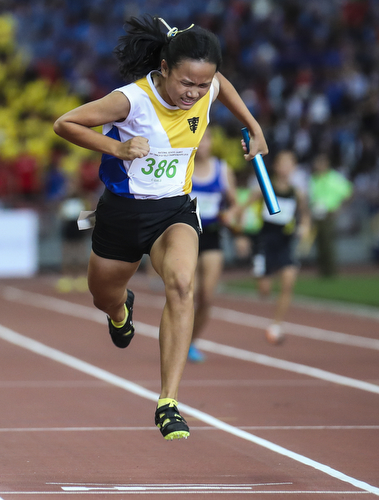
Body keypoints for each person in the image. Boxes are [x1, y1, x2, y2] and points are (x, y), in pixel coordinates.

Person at [53, 15, 268, 441]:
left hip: (175, 212)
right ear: (165, 68)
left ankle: (168, 401)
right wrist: (117, 146)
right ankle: (120, 311)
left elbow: (223, 87)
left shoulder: (208, 89)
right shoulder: (131, 99)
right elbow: (66, 123)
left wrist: (255, 128)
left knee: (182, 284)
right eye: (187, 83)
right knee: (104, 297)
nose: (195, 93)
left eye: (202, 86)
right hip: (122, 214)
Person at [248, 150, 310, 344]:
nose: (285, 167)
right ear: (275, 167)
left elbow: (305, 214)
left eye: (289, 164)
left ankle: (276, 324)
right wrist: (239, 230)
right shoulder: (265, 187)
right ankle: (264, 280)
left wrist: (305, 227)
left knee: (288, 281)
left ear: (294, 168)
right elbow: (244, 207)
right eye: (282, 163)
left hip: (285, 241)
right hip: (265, 241)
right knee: (264, 290)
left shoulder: (297, 193)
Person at [187, 131, 237, 363]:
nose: (202, 144)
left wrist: (234, 221)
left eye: (206, 139)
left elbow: (234, 204)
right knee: (188, 293)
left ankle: (192, 342)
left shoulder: (223, 169)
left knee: (206, 296)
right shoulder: (183, 166)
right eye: (198, 139)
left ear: (211, 142)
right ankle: (179, 336)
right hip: (186, 236)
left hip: (212, 236)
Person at [308, 152, 352, 278]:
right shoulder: (314, 178)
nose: (318, 165)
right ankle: (323, 271)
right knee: (320, 243)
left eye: (320, 163)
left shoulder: (334, 178)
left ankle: (331, 271)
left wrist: (340, 209)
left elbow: (349, 192)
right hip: (317, 214)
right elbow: (311, 197)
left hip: (328, 214)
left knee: (328, 243)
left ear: (326, 164)